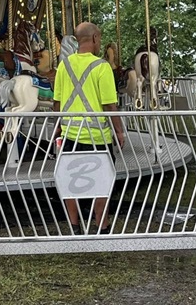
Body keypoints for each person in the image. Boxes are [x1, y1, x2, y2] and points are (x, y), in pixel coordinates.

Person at [53, 21, 126, 234]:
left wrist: (58, 127)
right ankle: (101, 226)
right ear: (94, 38)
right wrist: (119, 131)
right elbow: (109, 105)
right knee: (102, 183)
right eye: (100, 37)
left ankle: (75, 226)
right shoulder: (101, 67)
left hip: (69, 135)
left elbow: (57, 103)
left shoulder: (63, 66)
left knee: (70, 183)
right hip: (98, 136)